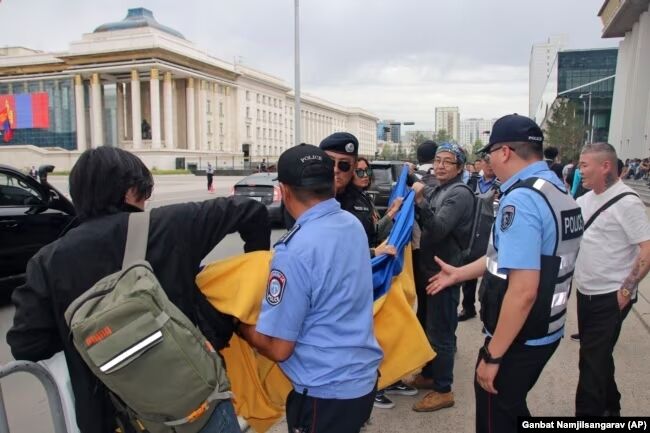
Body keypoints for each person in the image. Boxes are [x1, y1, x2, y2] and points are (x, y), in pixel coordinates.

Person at [7, 146, 271, 433]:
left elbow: (26, 345)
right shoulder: (172, 225)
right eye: (144, 193)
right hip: (194, 406)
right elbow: (251, 211)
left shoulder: (48, 262)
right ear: (130, 191)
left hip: (114, 418)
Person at [426, 114, 582, 433]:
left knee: (495, 417)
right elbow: (508, 257)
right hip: (545, 329)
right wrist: (460, 273)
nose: (489, 161)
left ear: (505, 152)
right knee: (512, 407)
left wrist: (493, 355)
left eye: (490, 153)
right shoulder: (556, 190)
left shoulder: (522, 200)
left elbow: (523, 291)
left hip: (518, 336)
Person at [238, 144, 383, 433]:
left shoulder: (294, 252)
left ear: (284, 190)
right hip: (361, 379)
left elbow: (279, 348)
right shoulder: (350, 224)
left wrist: (239, 325)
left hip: (324, 392)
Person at [573, 142, 650, 416]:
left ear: (605, 166)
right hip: (586, 293)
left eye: (584, 165)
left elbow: (646, 249)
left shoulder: (627, 202)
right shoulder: (585, 200)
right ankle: (611, 409)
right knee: (598, 358)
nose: (579, 171)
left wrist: (626, 291)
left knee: (590, 364)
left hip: (611, 296)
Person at [407, 142, 475, 412]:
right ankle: (431, 373)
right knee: (429, 325)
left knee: (441, 331)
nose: (440, 165)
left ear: (459, 167)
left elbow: (436, 230)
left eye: (448, 161)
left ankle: (443, 389)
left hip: (445, 272)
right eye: (438, 160)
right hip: (432, 270)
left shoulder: (458, 193)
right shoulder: (439, 188)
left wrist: (421, 201)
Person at [458, 153, 499, 322]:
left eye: (491, 162)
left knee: (490, 275)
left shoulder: (502, 185)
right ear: (480, 163)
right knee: (469, 273)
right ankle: (468, 308)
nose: (489, 165)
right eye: (485, 162)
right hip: (471, 232)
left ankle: (487, 312)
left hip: (491, 234)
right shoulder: (471, 182)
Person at [319, 132, 377, 247]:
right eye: (330, 162)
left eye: (344, 164)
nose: (335, 169)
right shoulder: (306, 197)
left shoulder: (362, 199)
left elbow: (372, 237)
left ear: (354, 167)